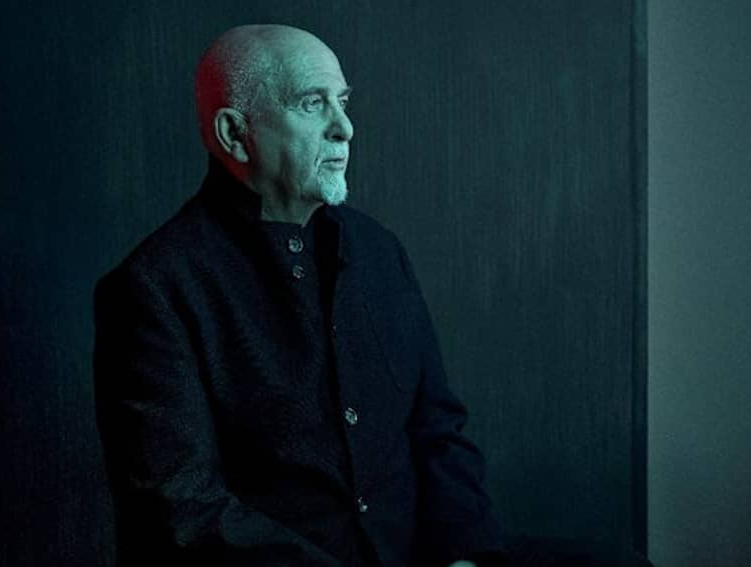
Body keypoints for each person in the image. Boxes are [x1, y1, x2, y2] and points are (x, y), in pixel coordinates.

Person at [93, 24, 651, 567]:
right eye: (312, 104)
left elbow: (437, 429)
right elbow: (182, 511)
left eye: (342, 102)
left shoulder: (378, 250)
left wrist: (462, 555)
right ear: (235, 134)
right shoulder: (152, 287)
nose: (345, 128)